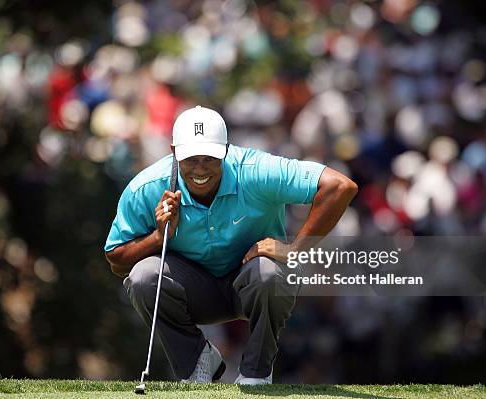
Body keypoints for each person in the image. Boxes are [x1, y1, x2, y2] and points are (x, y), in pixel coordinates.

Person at [105, 105, 357, 385]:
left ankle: (256, 373)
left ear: (226, 149)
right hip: (192, 292)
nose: (200, 169)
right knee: (143, 277)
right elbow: (117, 261)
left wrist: (293, 250)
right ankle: (197, 363)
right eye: (190, 159)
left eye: (210, 158)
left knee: (270, 274)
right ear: (174, 151)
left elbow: (340, 187)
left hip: (252, 285)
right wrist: (157, 236)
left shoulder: (255, 170)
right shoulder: (147, 187)